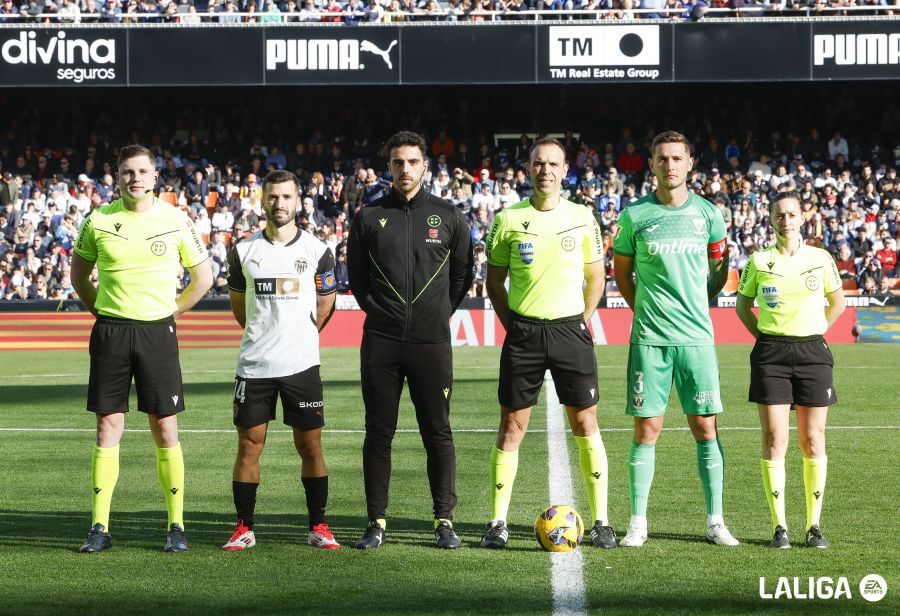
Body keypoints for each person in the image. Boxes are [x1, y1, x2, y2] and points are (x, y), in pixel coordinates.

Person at [71, 144, 213, 553]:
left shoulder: (175, 219)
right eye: (127, 172)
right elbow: (79, 274)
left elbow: (202, 277)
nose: (135, 178)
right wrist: (98, 308)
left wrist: (173, 312)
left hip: (157, 333)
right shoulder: (98, 219)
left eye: (142, 171)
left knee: (165, 427)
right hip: (111, 332)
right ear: (118, 177)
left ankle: (176, 526)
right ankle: (99, 526)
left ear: (155, 177)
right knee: (107, 426)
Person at [480, 138, 616, 550]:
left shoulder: (582, 217)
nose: (546, 171)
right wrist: (515, 325)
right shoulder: (507, 219)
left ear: (565, 169)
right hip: (524, 334)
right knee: (512, 426)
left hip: (569, 332)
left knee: (586, 424)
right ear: (528, 168)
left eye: (553, 164)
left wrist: (581, 322)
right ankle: (497, 522)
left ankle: (602, 522)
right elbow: (493, 283)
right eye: (539, 163)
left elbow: (597, 279)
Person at [347, 131, 473, 550]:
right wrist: (384, 313)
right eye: (398, 162)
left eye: (413, 162)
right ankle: (376, 522)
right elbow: (359, 282)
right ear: (390, 166)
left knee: (437, 432)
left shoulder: (450, 216)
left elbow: (461, 278)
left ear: (425, 166)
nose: (405, 169)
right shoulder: (368, 217)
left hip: (430, 342)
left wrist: (435, 314)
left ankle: (444, 520)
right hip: (381, 342)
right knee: (378, 433)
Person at [613, 131, 738, 548]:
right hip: (650, 338)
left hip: (697, 339)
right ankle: (637, 522)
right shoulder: (634, 216)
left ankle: (715, 520)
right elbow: (621, 273)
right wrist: (644, 310)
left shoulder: (709, 214)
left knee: (705, 426)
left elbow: (719, 273)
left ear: (690, 163)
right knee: (647, 428)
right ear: (651, 164)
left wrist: (698, 302)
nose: (669, 165)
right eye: (662, 158)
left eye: (677, 158)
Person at [222, 170, 341, 551]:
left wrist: (301, 335)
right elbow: (241, 310)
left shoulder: (318, 251)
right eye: (273, 197)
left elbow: (326, 304)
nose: (280, 204)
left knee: (310, 447)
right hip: (255, 366)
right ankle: (244, 527)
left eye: (286, 197)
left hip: (302, 365)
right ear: (263, 200)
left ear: (298, 200)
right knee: (249, 447)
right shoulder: (243, 252)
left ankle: (318, 525)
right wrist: (266, 335)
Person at [735, 191, 845, 549]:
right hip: (771, 354)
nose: (786, 220)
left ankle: (814, 526)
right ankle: (779, 526)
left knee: (813, 439)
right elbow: (742, 307)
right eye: (779, 215)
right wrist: (765, 338)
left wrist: (814, 330)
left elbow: (838, 302)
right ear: (771, 220)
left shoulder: (821, 258)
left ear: (803, 218)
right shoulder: (759, 260)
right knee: (775, 441)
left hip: (813, 351)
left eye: (792, 214)